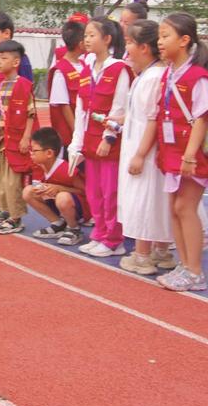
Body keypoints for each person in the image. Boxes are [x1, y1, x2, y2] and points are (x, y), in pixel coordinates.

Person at [154, 12, 208, 292]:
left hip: (191, 155)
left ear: (184, 40)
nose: (159, 42)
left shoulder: (198, 77)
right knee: (174, 209)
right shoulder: (169, 73)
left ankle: (195, 271)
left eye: (165, 36)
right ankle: (185, 265)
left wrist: (191, 155)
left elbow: (203, 117)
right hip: (172, 151)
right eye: (159, 36)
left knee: (185, 207)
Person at [117, 20, 177, 275]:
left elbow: (153, 118)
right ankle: (160, 250)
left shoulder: (154, 77)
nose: (126, 48)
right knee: (153, 198)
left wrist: (140, 154)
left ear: (144, 48)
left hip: (146, 149)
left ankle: (143, 254)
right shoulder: (148, 75)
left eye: (130, 43)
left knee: (145, 198)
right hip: (140, 143)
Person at [68, 16, 131, 257]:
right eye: (85, 35)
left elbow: (120, 106)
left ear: (107, 39)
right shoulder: (86, 68)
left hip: (108, 143)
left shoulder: (118, 69)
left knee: (110, 191)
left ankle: (114, 239)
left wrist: (109, 137)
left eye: (92, 35)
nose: (87, 39)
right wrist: (77, 142)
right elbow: (81, 108)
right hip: (89, 139)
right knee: (94, 190)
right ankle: (99, 233)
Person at [0, 40, 37, 234]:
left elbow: (30, 113)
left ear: (16, 62)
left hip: (15, 142)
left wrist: (26, 138)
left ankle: (16, 218)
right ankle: (6, 213)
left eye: (3, 58)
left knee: (12, 182)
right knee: (1, 181)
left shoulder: (23, 85)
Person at [27, 127, 88, 246]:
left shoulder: (66, 169)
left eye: (34, 151)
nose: (31, 154)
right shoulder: (42, 166)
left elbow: (85, 191)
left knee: (62, 197)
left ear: (49, 153)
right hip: (63, 204)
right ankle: (58, 224)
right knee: (28, 192)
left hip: (81, 209)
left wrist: (60, 188)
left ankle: (74, 228)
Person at [47, 19, 86, 149]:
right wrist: (77, 132)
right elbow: (64, 106)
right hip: (70, 136)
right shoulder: (60, 71)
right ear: (81, 44)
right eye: (87, 37)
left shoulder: (84, 65)